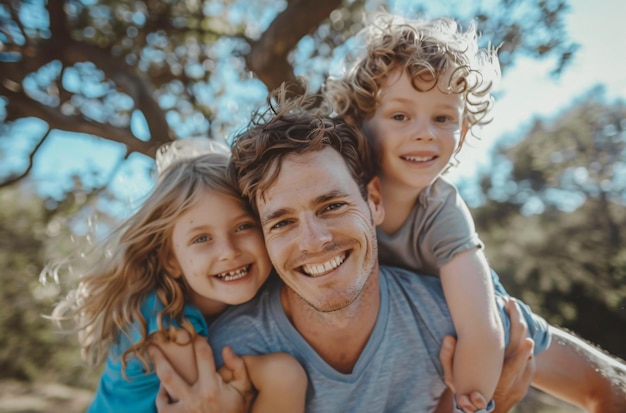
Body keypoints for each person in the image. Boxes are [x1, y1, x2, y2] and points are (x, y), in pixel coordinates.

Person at [324, 13, 626, 412]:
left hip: (480, 309)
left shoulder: (442, 208)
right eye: (400, 115)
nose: (425, 132)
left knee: (608, 384)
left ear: (463, 132)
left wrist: (474, 400)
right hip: (411, 326)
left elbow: (481, 328)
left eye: (443, 118)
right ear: (357, 124)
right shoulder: (333, 195)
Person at [49, 144, 307, 413]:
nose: (229, 252)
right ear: (170, 260)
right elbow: (205, 401)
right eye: (202, 238)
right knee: (284, 375)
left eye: (243, 226)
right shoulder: (162, 318)